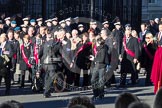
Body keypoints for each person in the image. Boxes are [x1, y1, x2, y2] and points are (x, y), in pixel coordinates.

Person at [39, 29, 62, 98]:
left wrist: (42, 59)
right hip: (53, 63)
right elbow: (61, 53)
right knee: (51, 77)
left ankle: (46, 92)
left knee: (47, 77)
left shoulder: (44, 43)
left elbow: (39, 54)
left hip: (45, 63)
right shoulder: (57, 44)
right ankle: (47, 91)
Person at [151, 22, 162, 94]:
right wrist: (154, 42)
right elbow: (154, 46)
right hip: (158, 52)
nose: (160, 28)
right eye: (160, 27)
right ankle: (158, 85)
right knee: (157, 68)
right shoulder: (157, 34)